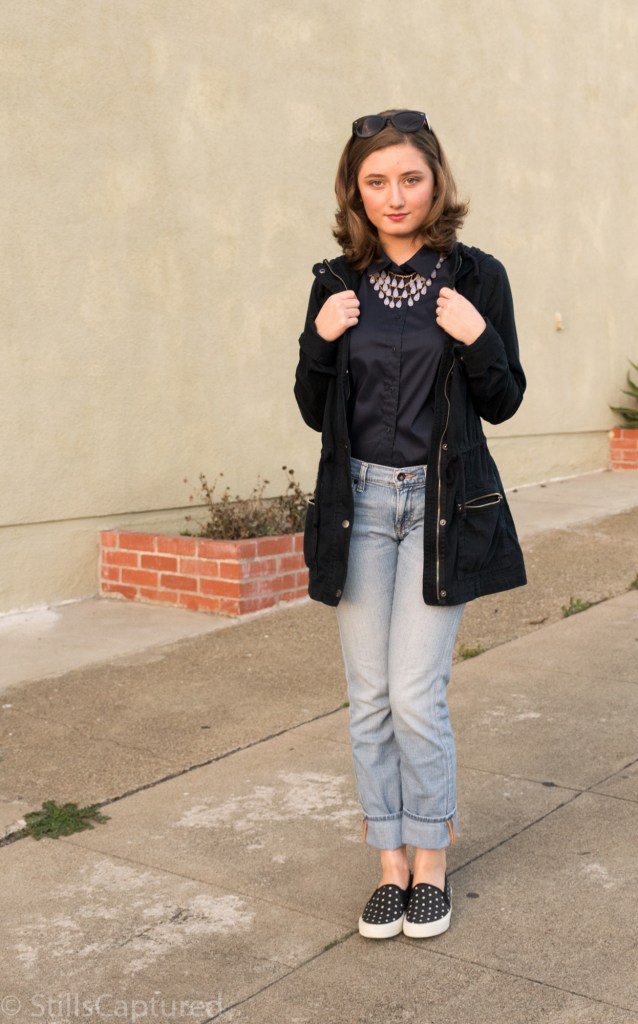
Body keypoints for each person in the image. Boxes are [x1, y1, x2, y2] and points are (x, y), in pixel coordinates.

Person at [294, 109, 526, 940]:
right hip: (357, 505)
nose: (396, 196)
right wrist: (321, 343)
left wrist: (476, 339)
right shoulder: (334, 282)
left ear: (437, 181)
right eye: (377, 181)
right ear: (356, 191)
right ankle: (387, 864)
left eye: (411, 178)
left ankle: (431, 859)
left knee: (416, 697)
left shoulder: (477, 276)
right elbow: (312, 407)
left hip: (438, 507)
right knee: (368, 701)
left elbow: (503, 400)